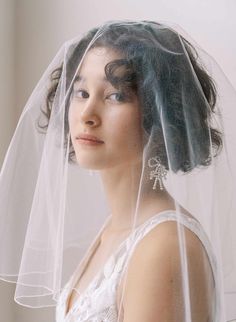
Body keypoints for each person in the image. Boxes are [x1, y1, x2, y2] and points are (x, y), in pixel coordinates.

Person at [0, 20, 236, 322]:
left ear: (160, 112)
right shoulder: (117, 229)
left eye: (116, 96)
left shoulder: (162, 247)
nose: (87, 114)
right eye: (81, 92)